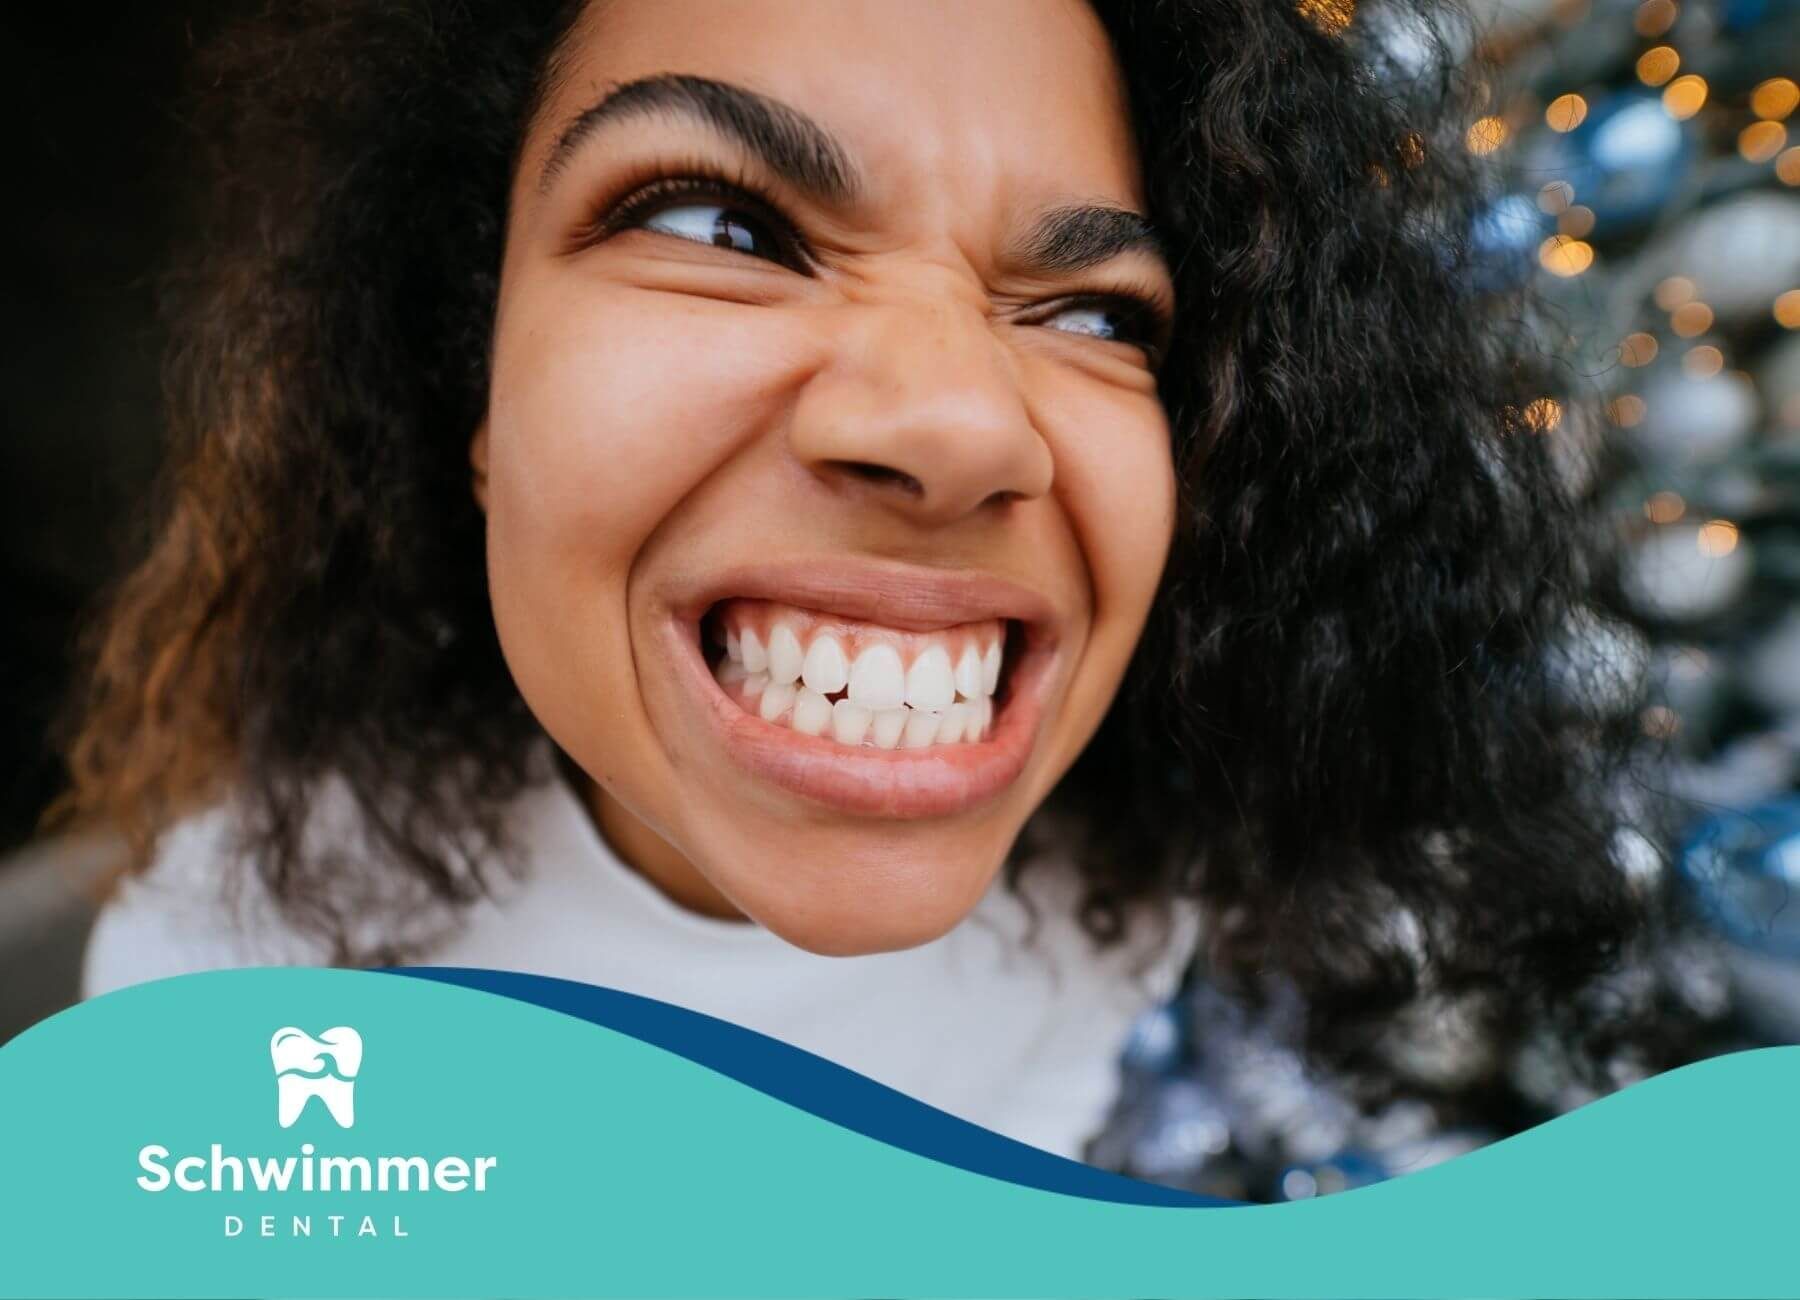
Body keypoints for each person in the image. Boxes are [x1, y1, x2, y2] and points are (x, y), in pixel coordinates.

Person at [57, 0, 1643, 1164]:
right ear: (466, 394)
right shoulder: (230, 988)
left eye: (1098, 314)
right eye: (720, 223)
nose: (956, 426)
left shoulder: (1138, 897)